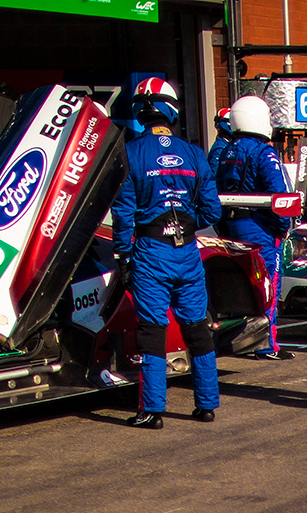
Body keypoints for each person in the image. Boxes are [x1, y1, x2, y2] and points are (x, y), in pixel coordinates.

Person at [111, 74, 222, 427]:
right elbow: (212, 211)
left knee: (152, 331)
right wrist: (186, 221)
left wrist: (122, 254)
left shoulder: (130, 153)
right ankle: (207, 406)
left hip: (149, 251)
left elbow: (123, 213)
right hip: (187, 251)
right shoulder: (193, 152)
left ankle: (153, 410)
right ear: (171, 111)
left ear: (141, 113)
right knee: (197, 328)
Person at [216, 94, 296, 360]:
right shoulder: (264, 152)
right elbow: (279, 195)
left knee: (242, 285)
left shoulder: (225, 150)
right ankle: (267, 344)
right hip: (259, 227)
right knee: (268, 285)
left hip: (232, 225)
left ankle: (243, 341)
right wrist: (282, 228)